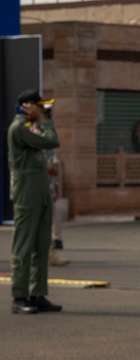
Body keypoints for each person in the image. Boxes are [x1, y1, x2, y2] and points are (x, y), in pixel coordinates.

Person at [8, 89, 63, 314]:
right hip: (27, 191)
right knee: (23, 245)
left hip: (40, 191)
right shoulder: (20, 128)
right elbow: (52, 141)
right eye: (40, 106)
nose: (44, 110)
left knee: (41, 244)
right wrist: (43, 121)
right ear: (28, 107)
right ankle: (19, 296)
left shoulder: (32, 125)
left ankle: (37, 294)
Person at [42, 103, 70, 267]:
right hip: (38, 185)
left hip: (46, 185)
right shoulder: (34, 131)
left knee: (47, 219)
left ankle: (50, 251)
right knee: (41, 221)